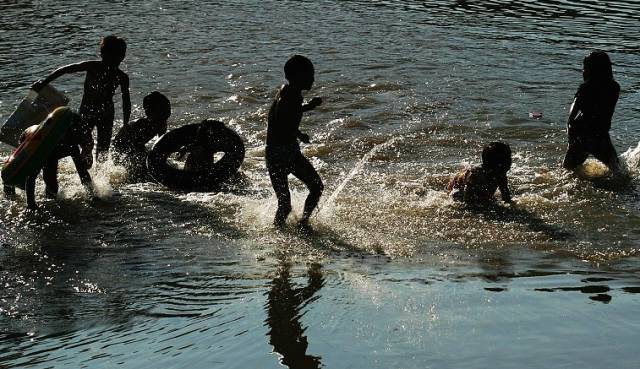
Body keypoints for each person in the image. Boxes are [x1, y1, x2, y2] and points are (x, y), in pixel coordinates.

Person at [32, 35, 131, 166]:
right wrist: (44, 83)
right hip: (88, 111)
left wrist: (125, 124)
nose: (114, 60)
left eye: (117, 57)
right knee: (85, 142)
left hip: (105, 113)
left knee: (103, 149)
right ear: (102, 54)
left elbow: (126, 102)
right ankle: (86, 158)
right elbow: (65, 70)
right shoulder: (92, 66)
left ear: (122, 57)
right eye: (111, 56)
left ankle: (100, 176)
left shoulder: (122, 77)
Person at [266, 55, 324, 228]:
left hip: (273, 153)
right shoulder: (290, 96)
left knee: (284, 204)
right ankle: (303, 223)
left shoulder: (286, 91)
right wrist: (309, 107)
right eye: (310, 74)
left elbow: (282, 119)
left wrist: (298, 134)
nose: (313, 79)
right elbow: (285, 114)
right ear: (299, 76)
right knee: (316, 187)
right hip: (286, 153)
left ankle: (278, 231)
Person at [4, 114, 93, 210]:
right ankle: (8, 191)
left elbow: (82, 171)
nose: (79, 136)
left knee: (52, 187)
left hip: (53, 149)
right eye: (76, 132)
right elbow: (31, 176)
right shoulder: (46, 143)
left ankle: (51, 204)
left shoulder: (74, 140)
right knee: (22, 180)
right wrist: (31, 204)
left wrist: (91, 194)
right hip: (30, 139)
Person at [562, 51, 621, 173]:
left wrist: (571, 138)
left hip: (583, 134)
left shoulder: (585, 88)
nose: (582, 71)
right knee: (618, 170)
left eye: (584, 68)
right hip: (600, 134)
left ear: (591, 70)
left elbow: (572, 117)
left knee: (567, 170)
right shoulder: (614, 87)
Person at [113, 91, 170, 180]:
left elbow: (163, 143)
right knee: (138, 168)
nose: (167, 114)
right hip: (120, 146)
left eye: (168, 111)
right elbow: (136, 147)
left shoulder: (161, 123)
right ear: (149, 112)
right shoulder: (140, 125)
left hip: (135, 146)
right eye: (164, 110)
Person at [447, 141, 512, 204]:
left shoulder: (500, 174)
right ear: (497, 162)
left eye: (510, 158)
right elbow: (468, 198)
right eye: (508, 159)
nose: (510, 162)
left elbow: (505, 195)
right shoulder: (476, 175)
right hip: (458, 190)